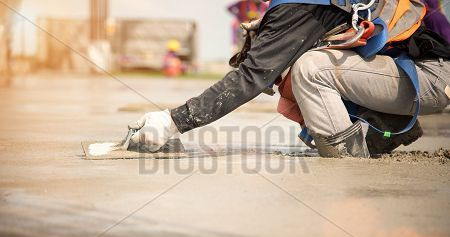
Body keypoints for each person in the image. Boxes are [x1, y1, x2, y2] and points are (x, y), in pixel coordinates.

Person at [129, 0, 450, 157]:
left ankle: (350, 159)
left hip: (430, 76)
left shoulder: (299, 6)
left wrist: (172, 121)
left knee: (310, 69)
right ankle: (385, 128)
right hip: (417, 71)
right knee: (297, 80)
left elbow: (251, 78)